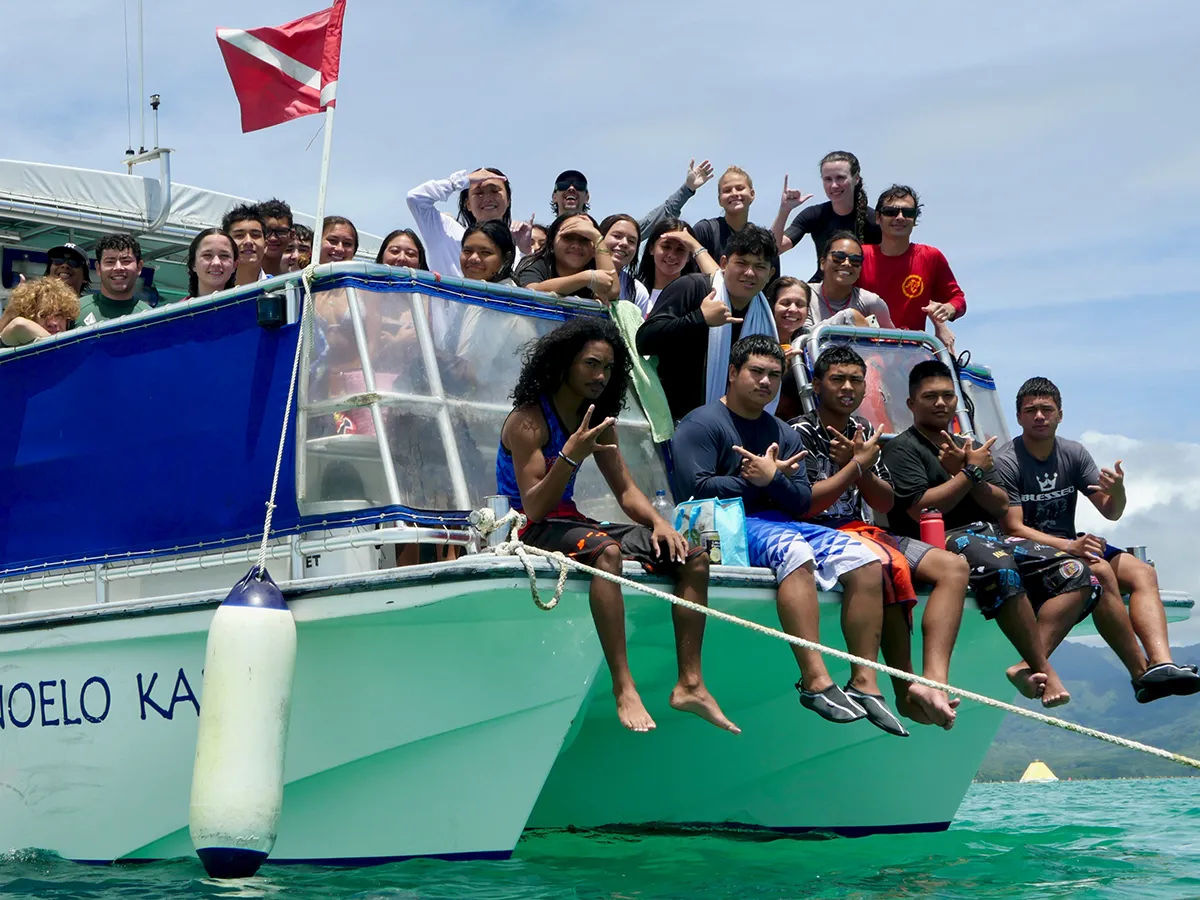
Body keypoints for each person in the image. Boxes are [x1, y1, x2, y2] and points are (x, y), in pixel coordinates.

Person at [497, 317, 737, 734]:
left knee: (692, 556)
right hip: (528, 526)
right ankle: (623, 686)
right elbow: (535, 506)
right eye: (591, 364)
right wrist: (571, 455)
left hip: (571, 522)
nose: (600, 376)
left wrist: (661, 523)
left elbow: (626, 491)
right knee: (605, 549)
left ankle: (691, 684)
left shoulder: (600, 419)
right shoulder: (529, 420)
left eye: (607, 368)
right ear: (564, 365)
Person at [672, 335, 907, 734]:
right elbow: (694, 488)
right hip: (728, 522)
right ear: (733, 373)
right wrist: (762, 482)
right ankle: (815, 680)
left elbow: (800, 501)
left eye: (774, 375)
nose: (766, 382)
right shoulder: (701, 424)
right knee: (794, 550)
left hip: (783, 520)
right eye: (756, 372)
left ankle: (864, 682)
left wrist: (771, 481)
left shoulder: (783, 431)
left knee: (865, 558)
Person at [881, 360, 1094, 708]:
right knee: (1002, 567)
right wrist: (968, 474)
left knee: (1077, 572)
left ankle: (1025, 665)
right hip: (940, 539)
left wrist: (972, 471)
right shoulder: (902, 449)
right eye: (930, 396)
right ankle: (1044, 668)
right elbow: (922, 508)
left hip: (990, 534)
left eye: (948, 396)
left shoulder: (972, 446)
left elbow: (999, 504)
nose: (940, 403)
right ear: (911, 404)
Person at [792, 346, 970, 729]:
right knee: (888, 565)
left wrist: (861, 468)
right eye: (838, 379)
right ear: (817, 384)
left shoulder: (866, 431)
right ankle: (901, 687)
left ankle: (933, 684)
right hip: (818, 532)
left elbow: (885, 501)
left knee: (954, 568)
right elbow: (803, 504)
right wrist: (851, 466)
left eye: (856, 380)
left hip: (866, 529)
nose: (848, 388)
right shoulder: (799, 432)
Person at [994, 377, 1200, 702]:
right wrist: (1069, 547)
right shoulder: (1006, 461)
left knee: (1142, 572)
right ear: (1018, 417)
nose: (1039, 416)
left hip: (1067, 544)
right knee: (1100, 571)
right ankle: (1138, 674)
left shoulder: (1073, 453)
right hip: (1024, 549)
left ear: (1060, 414)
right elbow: (1012, 528)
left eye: (1047, 409)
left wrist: (1117, 491)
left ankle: (1160, 664)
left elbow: (1110, 511)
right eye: (1030, 410)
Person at [637, 225, 778, 422]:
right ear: (723, 263)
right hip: (673, 421)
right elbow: (645, 340)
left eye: (759, 266)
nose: (749, 273)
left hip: (734, 426)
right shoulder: (693, 287)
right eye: (741, 263)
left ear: (770, 273)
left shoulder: (763, 313)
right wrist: (699, 319)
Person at [858, 185, 963, 352]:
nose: (900, 217)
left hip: (910, 354)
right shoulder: (859, 256)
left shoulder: (930, 256)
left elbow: (958, 299)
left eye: (907, 213)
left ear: (914, 220)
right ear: (878, 217)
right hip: (864, 351)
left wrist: (948, 310)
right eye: (891, 212)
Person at [773, 151, 882, 280]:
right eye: (828, 179)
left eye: (840, 178)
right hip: (822, 288)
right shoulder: (814, 214)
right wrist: (784, 210)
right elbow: (775, 249)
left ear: (856, 178)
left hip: (861, 289)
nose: (834, 185)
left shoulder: (874, 220)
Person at [549, 160, 714, 238]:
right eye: (563, 185)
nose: (571, 188)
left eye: (579, 185)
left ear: (587, 197)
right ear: (554, 196)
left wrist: (687, 189)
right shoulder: (542, 237)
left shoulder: (605, 236)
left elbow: (658, 217)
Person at [407, 167, 520, 277]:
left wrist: (526, 251)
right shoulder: (445, 230)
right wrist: (459, 182)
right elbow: (415, 198)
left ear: (508, 200)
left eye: (494, 191)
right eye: (479, 192)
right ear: (468, 204)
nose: (487, 198)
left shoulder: (518, 250)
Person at [690, 166, 781, 279]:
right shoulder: (705, 230)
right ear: (720, 200)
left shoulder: (763, 240)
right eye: (727, 190)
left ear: (752, 194)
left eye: (740, 188)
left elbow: (773, 286)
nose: (734, 193)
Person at [514, 213, 620, 302]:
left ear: (594, 249)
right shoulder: (534, 263)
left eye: (585, 239)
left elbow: (612, 292)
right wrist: (586, 278)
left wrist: (597, 238)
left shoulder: (595, 268)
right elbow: (532, 292)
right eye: (568, 237)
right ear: (551, 243)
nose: (576, 245)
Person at [633, 218, 719, 317]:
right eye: (666, 247)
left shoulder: (697, 294)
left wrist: (695, 246)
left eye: (680, 249)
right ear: (651, 248)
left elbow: (721, 286)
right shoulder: (634, 290)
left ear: (689, 256)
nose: (672, 255)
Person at [805, 232, 894, 328]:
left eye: (855, 260)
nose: (847, 263)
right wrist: (848, 316)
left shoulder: (873, 303)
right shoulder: (805, 295)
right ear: (822, 263)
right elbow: (802, 336)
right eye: (838, 257)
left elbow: (892, 340)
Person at [75, 234, 150, 326]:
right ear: (98, 268)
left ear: (139, 267)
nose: (118, 268)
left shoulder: (152, 318)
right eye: (110, 262)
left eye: (126, 261)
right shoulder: (74, 311)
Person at [770, 276, 812, 422]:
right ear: (772, 306)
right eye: (785, 303)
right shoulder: (757, 336)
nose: (793, 309)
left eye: (800, 304)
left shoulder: (808, 341)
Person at [1, 277, 80, 346]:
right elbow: (18, 324)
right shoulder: (14, 340)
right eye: (43, 315)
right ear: (29, 318)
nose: (53, 323)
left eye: (58, 315)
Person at [599, 214, 647, 311]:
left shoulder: (638, 291)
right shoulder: (579, 273)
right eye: (617, 236)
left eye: (631, 241)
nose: (624, 243)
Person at [186, 228, 238, 299]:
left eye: (224, 256)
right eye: (207, 255)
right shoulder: (176, 310)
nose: (216, 263)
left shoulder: (252, 308)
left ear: (234, 265)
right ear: (193, 264)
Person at [222, 204, 268, 286]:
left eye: (255, 235)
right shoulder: (212, 294)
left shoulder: (282, 290)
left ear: (266, 244)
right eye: (239, 235)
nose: (248, 241)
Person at [257, 198, 293, 277]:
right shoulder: (230, 279)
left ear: (292, 235)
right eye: (267, 231)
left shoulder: (294, 283)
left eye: (281, 231)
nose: (273, 238)